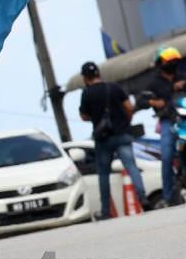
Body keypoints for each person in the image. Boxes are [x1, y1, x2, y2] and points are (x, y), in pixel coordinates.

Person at [78, 61, 148, 216]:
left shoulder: (87, 93)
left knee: (103, 174)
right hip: (122, 134)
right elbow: (129, 107)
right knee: (131, 167)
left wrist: (96, 117)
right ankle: (143, 198)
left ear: (85, 77)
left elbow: (83, 116)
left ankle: (105, 210)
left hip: (103, 139)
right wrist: (125, 121)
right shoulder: (114, 87)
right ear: (98, 74)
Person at [144, 46, 184, 206]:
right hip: (168, 122)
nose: (171, 63)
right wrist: (154, 101)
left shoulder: (181, 77)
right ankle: (168, 196)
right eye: (167, 61)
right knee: (166, 157)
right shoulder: (154, 84)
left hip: (184, 119)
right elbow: (141, 100)